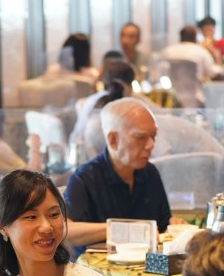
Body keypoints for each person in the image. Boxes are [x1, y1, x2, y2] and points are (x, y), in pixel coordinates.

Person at [63, 99, 172, 254]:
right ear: (113, 140)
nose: (151, 145)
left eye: (153, 136)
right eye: (141, 137)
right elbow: (66, 232)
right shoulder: (85, 178)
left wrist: (175, 227)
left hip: (145, 269)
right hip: (99, 274)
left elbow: (163, 224)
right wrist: (121, 230)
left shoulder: (150, 172)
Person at [158, 26, 221, 106]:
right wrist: (217, 58)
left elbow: (158, 72)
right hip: (196, 100)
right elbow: (214, 73)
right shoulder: (201, 52)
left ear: (180, 36)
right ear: (195, 37)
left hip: (170, 99)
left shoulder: (166, 51)